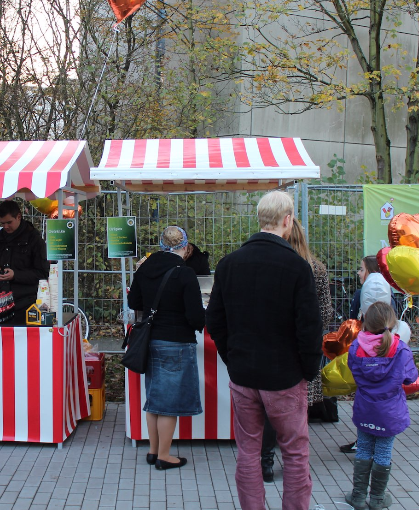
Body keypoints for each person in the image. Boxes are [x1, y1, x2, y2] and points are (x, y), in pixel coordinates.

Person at [205, 191, 323, 510]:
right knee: (295, 454)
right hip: (285, 378)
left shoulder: (229, 264)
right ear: (287, 221)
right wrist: (308, 371)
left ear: (260, 220)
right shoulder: (298, 268)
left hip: (244, 376)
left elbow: (214, 320)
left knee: (248, 452)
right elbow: (310, 328)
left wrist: (234, 357)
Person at [261, 219, 334, 481]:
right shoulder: (316, 268)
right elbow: (325, 313)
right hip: (304, 349)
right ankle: (294, 465)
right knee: (296, 410)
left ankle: (266, 461)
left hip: (272, 346)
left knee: (270, 408)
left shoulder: (269, 266)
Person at [128, 226, 205, 470]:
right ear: (185, 246)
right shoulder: (185, 273)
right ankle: (164, 456)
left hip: (150, 341)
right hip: (176, 342)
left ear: (162, 244)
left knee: (154, 399)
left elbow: (134, 302)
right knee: (168, 404)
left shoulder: (146, 267)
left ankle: (152, 450)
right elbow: (195, 316)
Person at [343, 302, 418, 510]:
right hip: (389, 412)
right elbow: (411, 378)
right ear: (391, 323)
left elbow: (354, 371)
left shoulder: (356, 347)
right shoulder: (400, 348)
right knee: (384, 452)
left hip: (365, 408)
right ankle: (377, 498)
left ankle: (358, 496)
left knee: (364, 448)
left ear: (366, 322)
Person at [342, 255, 397, 454]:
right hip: (386, 357)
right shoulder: (390, 295)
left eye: (362, 269)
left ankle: (364, 441)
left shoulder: (360, 294)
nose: (359, 272)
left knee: (365, 398)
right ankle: (380, 442)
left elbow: (353, 321)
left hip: (366, 357)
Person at [0, 200, 49, 317]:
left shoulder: (35, 240)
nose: (6, 227)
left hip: (26, 305)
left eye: (9, 222)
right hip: (0, 304)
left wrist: (15, 275)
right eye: (2, 223)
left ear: (18, 217)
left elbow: (42, 273)